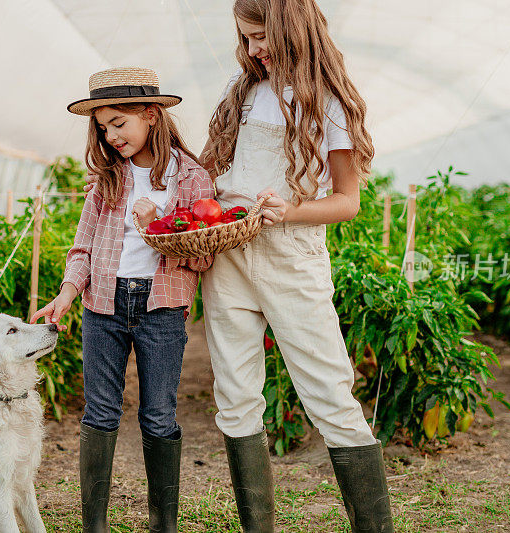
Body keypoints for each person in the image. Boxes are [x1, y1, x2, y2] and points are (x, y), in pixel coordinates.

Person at [198, 1, 394, 531]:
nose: (253, 49)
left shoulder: (326, 103)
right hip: (229, 256)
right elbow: (211, 176)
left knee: (329, 392)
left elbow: (348, 201)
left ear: (290, 30)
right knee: (235, 396)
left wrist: (291, 211)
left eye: (260, 36)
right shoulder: (243, 94)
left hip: (293, 256)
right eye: (246, 39)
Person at [32, 66, 214, 533]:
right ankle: (94, 524)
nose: (111, 136)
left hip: (162, 309)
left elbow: (203, 255)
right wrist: (67, 294)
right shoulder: (105, 179)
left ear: (151, 115)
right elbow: (83, 247)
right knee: (100, 411)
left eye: (119, 123)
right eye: (103, 127)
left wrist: (159, 223)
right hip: (103, 307)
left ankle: (163, 525)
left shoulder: (190, 177)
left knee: (157, 414)